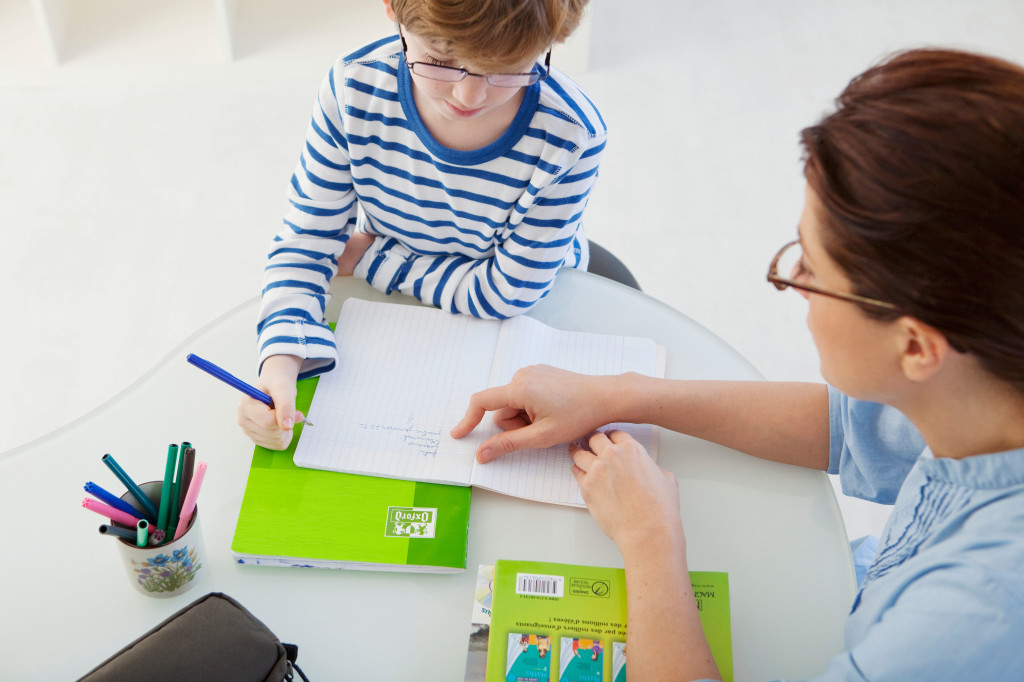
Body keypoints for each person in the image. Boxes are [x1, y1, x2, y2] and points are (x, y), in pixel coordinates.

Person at [452, 48, 1024, 680]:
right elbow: (847, 426)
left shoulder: (974, 618)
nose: (796, 283)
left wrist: (650, 542)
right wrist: (621, 394)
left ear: (917, 347)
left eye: (812, 269)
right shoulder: (986, 379)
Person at [241, 0, 604, 449]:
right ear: (392, 9)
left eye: (507, 67)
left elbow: (510, 293)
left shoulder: (571, 134)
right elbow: (305, 243)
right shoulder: (353, 87)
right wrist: (279, 363)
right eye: (439, 61)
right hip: (406, 306)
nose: (468, 97)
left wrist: (375, 259)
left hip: (527, 307)